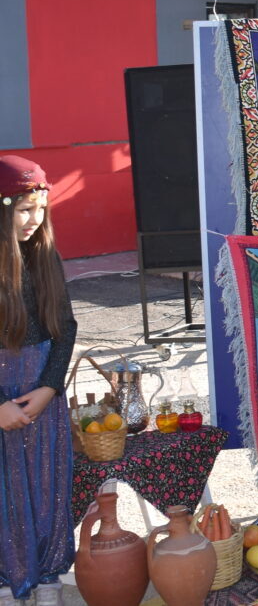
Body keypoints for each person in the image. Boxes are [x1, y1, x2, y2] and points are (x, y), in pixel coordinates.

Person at [0, 156, 76, 606]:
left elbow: (65, 328)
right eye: (23, 209)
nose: (34, 220)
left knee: (47, 485)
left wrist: (49, 388)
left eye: (40, 209)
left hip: (41, 397)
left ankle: (48, 578)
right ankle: (8, 585)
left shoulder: (44, 257)